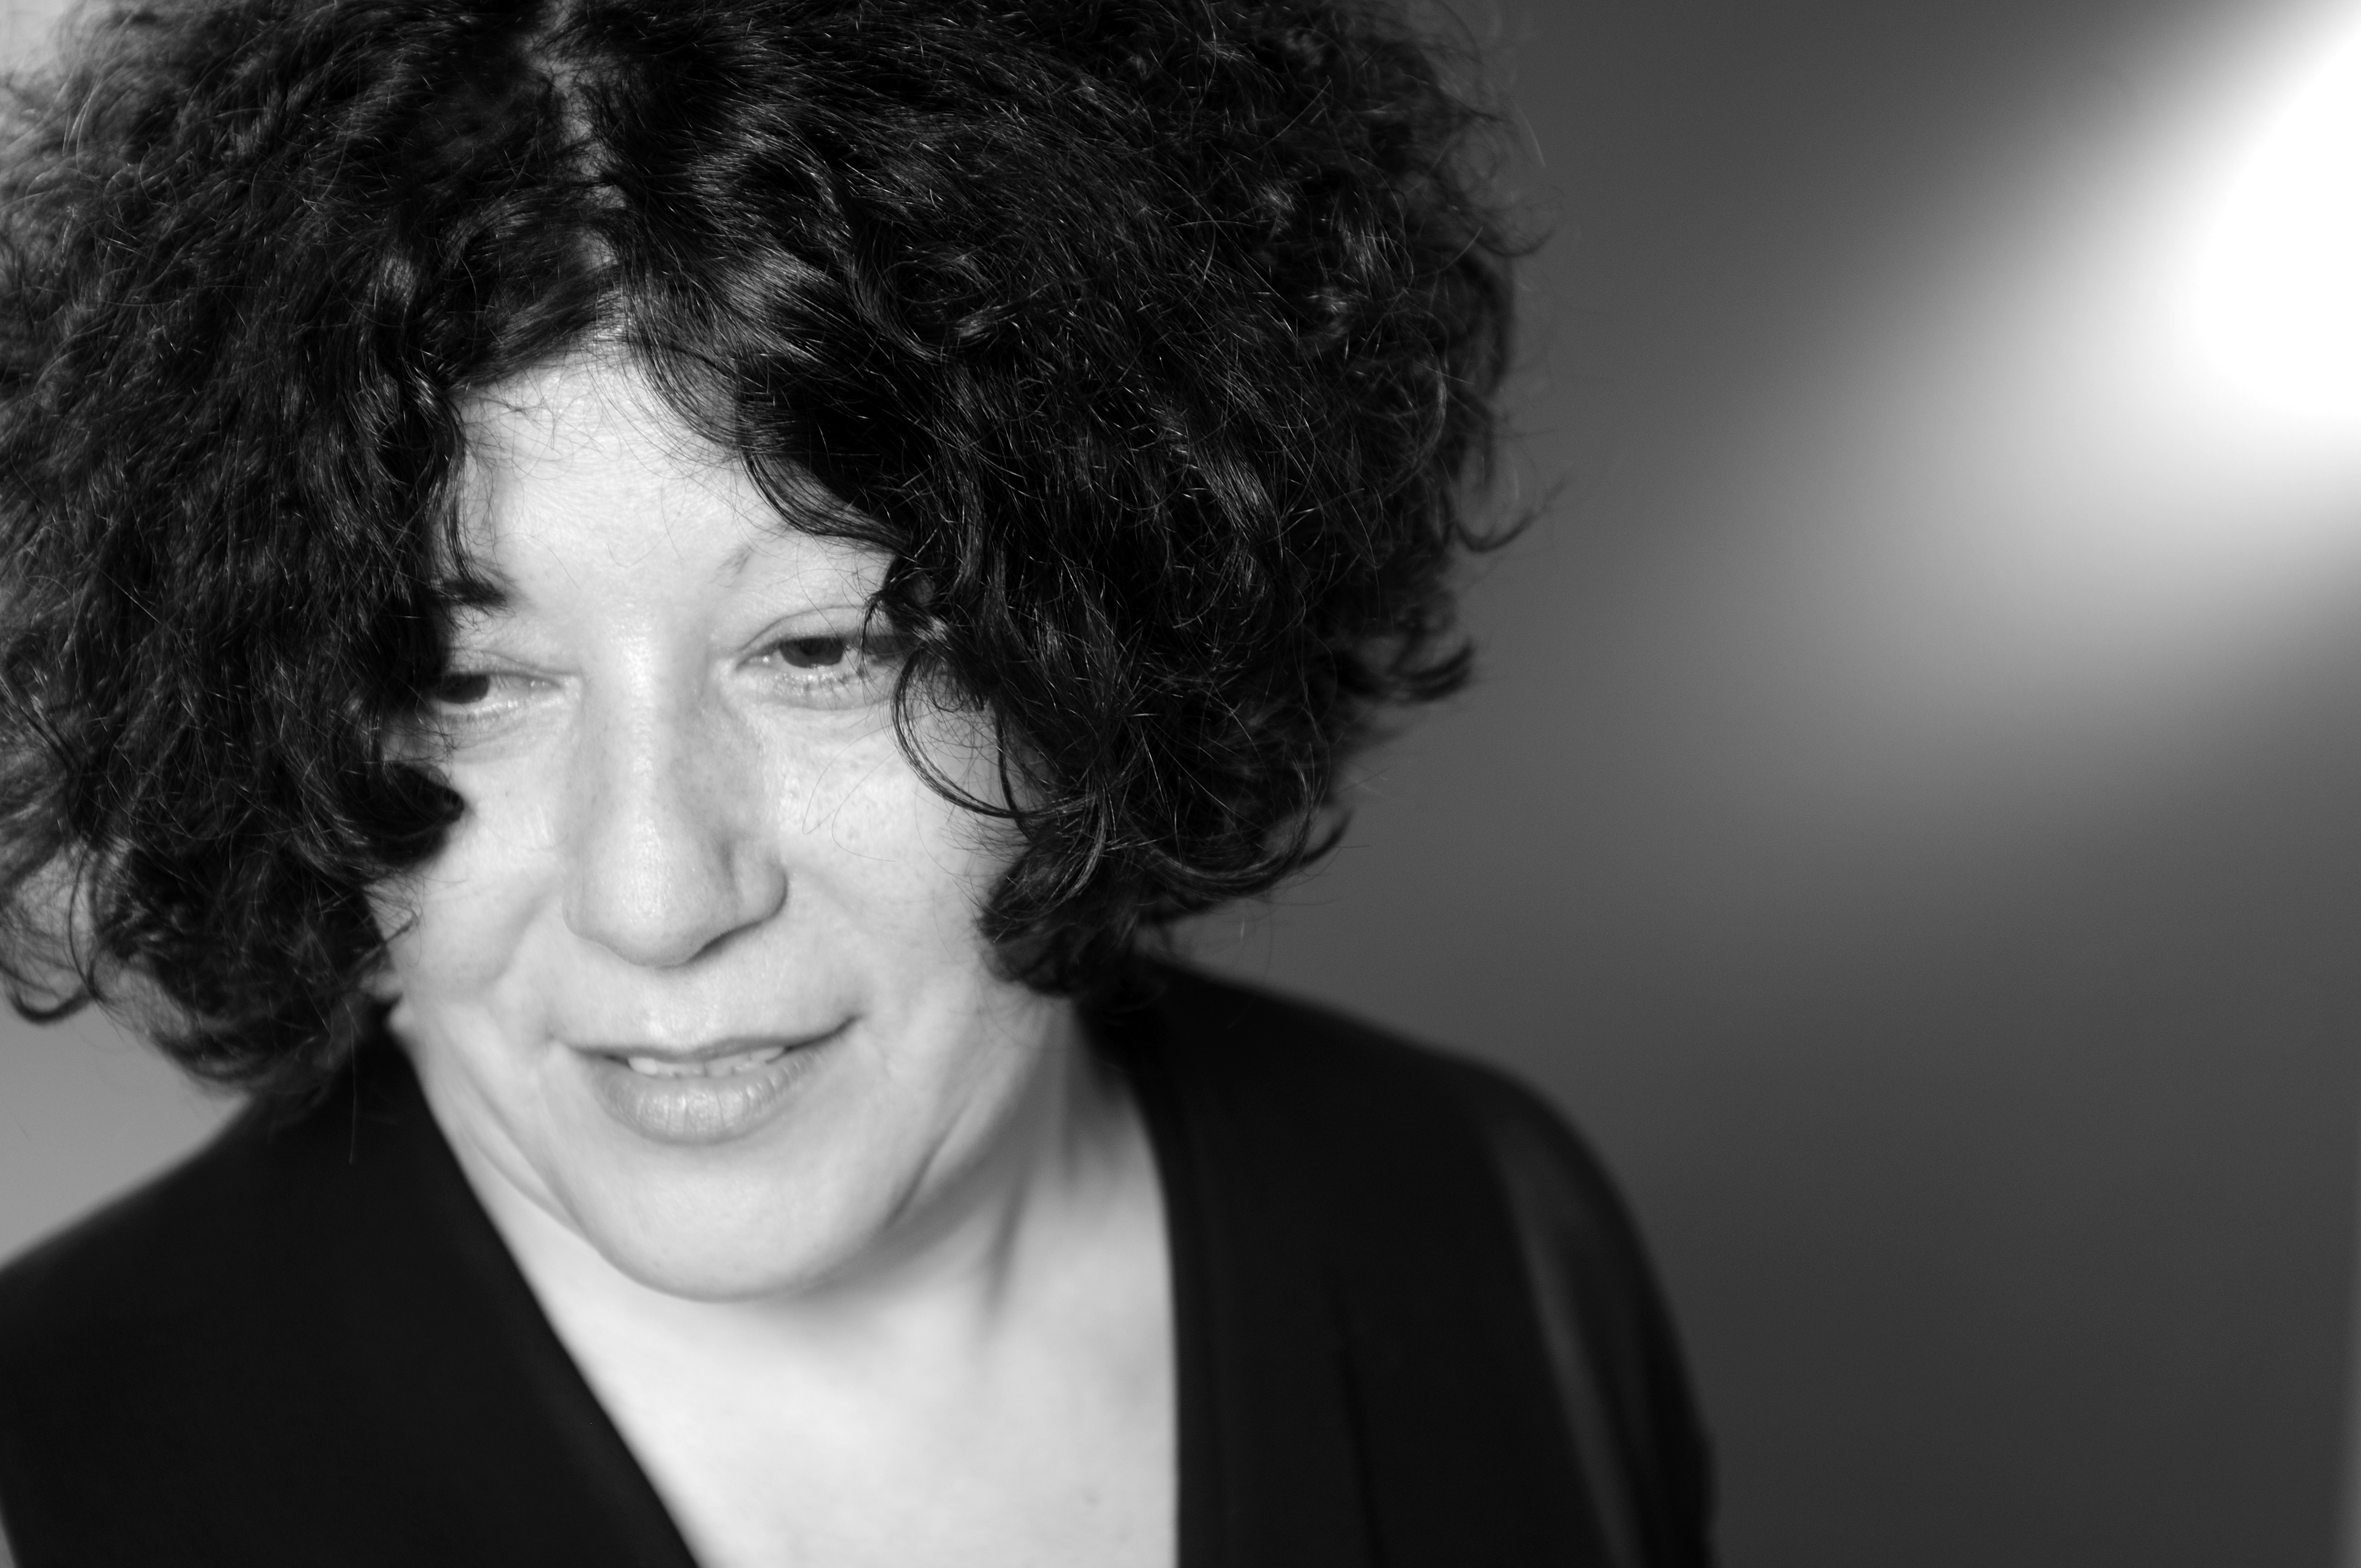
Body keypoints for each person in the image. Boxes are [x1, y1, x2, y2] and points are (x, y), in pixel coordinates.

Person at [0, 0, 1712, 1562]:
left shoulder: (1482, 1229)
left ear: (1116, 636)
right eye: (465, 681)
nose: (655, 897)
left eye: (826, 649)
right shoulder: (53, 1477)